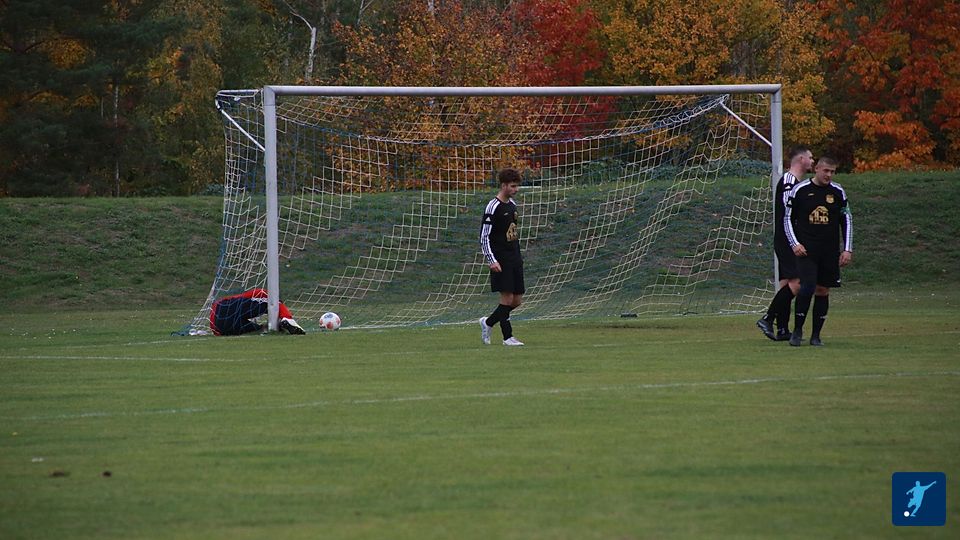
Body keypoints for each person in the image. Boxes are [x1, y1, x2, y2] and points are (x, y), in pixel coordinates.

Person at [783, 156, 853, 346]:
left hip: (829, 251)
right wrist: (794, 243)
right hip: (806, 250)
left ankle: (816, 335)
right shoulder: (800, 190)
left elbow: (846, 220)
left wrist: (847, 249)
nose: (829, 175)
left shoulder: (838, 192)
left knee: (822, 290)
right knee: (807, 287)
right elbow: (787, 218)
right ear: (817, 170)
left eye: (832, 172)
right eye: (826, 171)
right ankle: (797, 331)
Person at [757, 147, 814, 341]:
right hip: (788, 239)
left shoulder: (797, 182)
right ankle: (767, 318)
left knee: (785, 284)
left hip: (787, 238)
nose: (812, 161)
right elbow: (790, 212)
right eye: (810, 157)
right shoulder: (789, 181)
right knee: (798, 283)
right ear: (801, 159)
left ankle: (782, 329)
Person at [478, 168, 525, 346]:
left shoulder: (512, 204)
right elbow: (484, 237)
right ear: (503, 185)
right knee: (506, 299)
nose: (516, 189)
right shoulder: (492, 207)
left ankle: (488, 322)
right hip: (501, 259)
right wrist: (492, 260)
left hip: (515, 257)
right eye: (513, 186)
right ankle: (508, 337)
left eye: (517, 186)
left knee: (517, 300)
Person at [209, 288, 305, 335]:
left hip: (217, 326)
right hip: (223, 308)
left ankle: (274, 327)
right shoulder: (246, 297)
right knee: (273, 301)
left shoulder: (236, 299)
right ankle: (287, 318)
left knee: (260, 329)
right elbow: (262, 293)